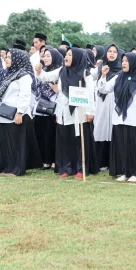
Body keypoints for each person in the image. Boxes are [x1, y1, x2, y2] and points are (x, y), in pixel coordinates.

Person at [37, 47, 96, 178]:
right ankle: (67, 168)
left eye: (69, 55)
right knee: (66, 140)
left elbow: (90, 93)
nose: (66, 57)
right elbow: (46, 77)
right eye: (66, 55)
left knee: (79, 141)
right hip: (64, 111)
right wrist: (39, 71)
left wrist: (90, 112)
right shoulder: (62, 70)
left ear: (77, 57)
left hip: (79, 112)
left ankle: (81, 168)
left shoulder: (85, 73)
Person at [97, 51, 136, 182]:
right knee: (122, 147)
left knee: (134, 148)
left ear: (133, 63)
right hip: (119, 119)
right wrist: (103, 76)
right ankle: (124, 172)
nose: (124, 63)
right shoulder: (118, 77)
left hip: (134, 120)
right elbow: (104, 89)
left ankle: (135, 173)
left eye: (127, 61)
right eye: (123, 61)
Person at [0, 49, 41, 176]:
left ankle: (16, 169)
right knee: (5, 143)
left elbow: (25, 95)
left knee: (15, 143)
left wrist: (20, 112)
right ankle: (6, 168)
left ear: (18, 59)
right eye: (6, 57)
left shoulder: (24, 76)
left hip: (16, 114)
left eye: (10, 57)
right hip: (2, 113)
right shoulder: (3, 73)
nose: (6, 59)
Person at [93, 44, 124, 170]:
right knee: (100, 127)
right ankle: (101, 161)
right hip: (101, 101)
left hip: (114, 101)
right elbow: (89, 77)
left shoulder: (121, 69)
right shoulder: (100, 68)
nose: (111, 54)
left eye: (114, 52)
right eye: (109, 51)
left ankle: (112, 162)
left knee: (112, 128)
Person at [33, 46, 61, 170]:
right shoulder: (42, 70)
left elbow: (58, 90)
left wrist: (49, 82)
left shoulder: (58, 71)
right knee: (41, 134)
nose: (45, 58)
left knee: (51, 135)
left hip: (54, 108)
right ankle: (45, 160)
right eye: (44, 56)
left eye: (48, 56)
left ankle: (53, 160)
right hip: (40, 107)